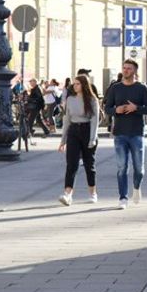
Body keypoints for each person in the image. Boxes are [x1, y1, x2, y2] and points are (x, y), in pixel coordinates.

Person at [104, 59, 147, 210]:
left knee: (139, 168)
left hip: (136, 133)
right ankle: (123, 198)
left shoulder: (142, 88)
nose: (126, 71)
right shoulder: (115, 88)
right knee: (121, 167)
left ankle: (137, 187)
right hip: (120, 133)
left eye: (129, 69)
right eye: (124, 68)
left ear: (134, 71)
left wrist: (136, 108)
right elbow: (107, 107)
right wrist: (115, 111)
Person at [58, 75, 99, 206]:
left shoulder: (92, 100)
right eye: (74, 84)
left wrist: (92, 138)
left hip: (87, 131)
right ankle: (67, 194)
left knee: (89, 164)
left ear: (84, 85)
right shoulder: (70, 99)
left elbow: (95, 120)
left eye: (77, 84)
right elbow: (67, 120)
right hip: (74, 132)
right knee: (71, 163)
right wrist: (63, 140)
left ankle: (93, 193)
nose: (74, 86)